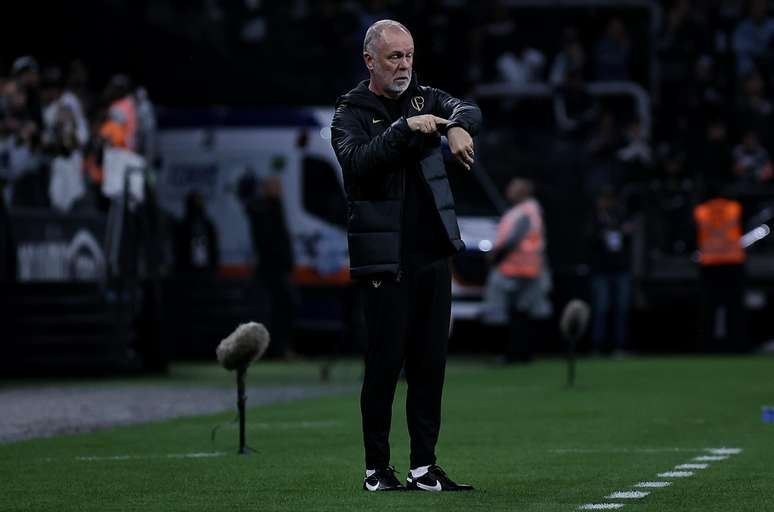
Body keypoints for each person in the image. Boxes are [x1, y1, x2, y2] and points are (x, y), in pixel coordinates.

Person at [331, 19, 480, 492]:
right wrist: (403, 129)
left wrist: (455, 127)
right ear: (369, 60)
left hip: (433, 255)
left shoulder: (426, 98)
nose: (405, 65)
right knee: (384, 366)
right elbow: (358, 163)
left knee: (430, 365)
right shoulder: (349, 112)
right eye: (395, 57)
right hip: (385, 260)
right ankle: (377, 469)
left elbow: (468, 108)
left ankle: (423, 468)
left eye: (410, 55)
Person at [484, 178, 552, 363]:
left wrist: (495, 256)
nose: (509, 191)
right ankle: (522, 353)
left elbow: (513, 239)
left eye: (513, 188)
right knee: (522, 314)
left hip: (513, 268)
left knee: (513, 315)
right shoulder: (534, 210)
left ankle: (513, 354)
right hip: (528, 268)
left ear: (523, 191)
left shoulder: (524, 212)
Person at [693, 184, 747, 352]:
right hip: (733, 261)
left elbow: (693, 233)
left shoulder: (701, 211)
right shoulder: (734, 208)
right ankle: (737, 345)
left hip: (709, 263)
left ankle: (706, 345)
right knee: (734, 307)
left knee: (708, 308)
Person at [586, 188, 633, 355]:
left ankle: (619, 345)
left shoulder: (620, 217)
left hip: (620, 269)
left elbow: (628, 240)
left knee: (621, 308)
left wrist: (625, 232)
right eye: (604, 199)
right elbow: (589, 239)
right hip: (601, 270)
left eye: (610, 199)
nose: (607, 203)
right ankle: (597, 346)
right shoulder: (594, 219)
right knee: (601, 308)